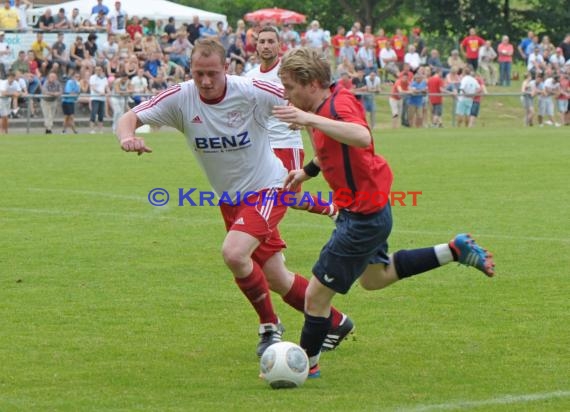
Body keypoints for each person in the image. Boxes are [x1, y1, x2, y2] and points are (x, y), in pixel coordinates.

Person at [115, 38, 354, 358]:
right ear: (190, 70)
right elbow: (129, 118)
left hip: (268, 188)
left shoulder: (252, 91)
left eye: (212, 73)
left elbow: (308, 104)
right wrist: (127, 137)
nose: (205, 81)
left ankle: (269, 326)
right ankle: (337, 322)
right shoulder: (181, 97)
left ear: (226, 68)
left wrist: (321, 149)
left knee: (234, 253)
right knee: (277, 278)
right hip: (230, 200)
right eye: (198, 73)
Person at [274, 46, 495, 378]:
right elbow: (331, 149)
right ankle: (453, 250)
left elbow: (361, 137)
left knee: (316, 296)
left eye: (291, 87)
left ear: (311, 83)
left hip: (362, 218)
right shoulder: (322, 109)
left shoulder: (337, 104)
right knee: (375, 279)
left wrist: (308, 119)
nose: (287, 95)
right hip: (366, 211)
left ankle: (302, 365)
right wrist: (306, 172)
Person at [245, 26, 338, 219]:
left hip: (286, 144)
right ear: (256, 46)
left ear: (279, 45)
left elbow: (312, 104)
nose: (266, 46)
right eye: (262, 42)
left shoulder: (289, 74)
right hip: (260, 147)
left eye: (271, 41)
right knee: (259, 197)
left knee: (290, 199)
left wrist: (303, 119)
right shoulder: (249, 77)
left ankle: (332, 210)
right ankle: (269, 247)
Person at [89, 65, 108, 133]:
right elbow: (93, 87)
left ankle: (100, 130)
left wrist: (108, 92)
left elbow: (106, 87)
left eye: (99, 69)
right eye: (96, 70)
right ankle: (92, 130)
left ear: (101, 70)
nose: (98, 71)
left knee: (101, 114)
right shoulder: (92, 77)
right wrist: (100, 92)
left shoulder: (104, 78)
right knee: (93, 113)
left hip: (102, 99)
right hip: (95, 98)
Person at [62, 70, 81, 134]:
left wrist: (75, 94)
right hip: (66, 101)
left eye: (78, 77)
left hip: (71, 102)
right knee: (70, 117)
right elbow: (69, 92)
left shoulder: (77, 84)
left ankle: (64, 131)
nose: (77, 78)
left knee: (68, 117)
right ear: (72, 77)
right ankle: (74, 131)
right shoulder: (69, 82)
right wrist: (74, 94)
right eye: (76, 76)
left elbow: (77, 94)